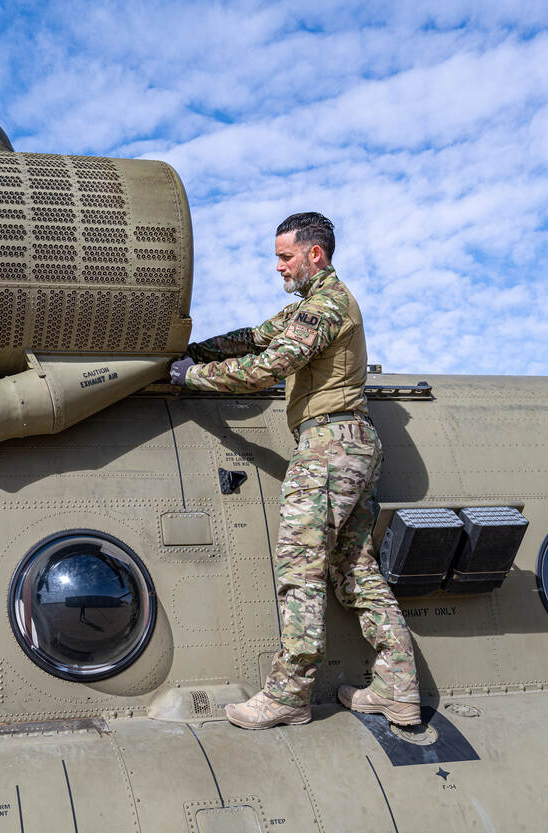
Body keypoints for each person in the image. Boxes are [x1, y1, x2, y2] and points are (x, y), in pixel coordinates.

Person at [169, 212, 420, 728]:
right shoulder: (309, 307)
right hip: (351, 444)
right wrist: (191, 349)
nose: (278, 267)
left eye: (285, 257)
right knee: (356, 571)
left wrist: (195, 376)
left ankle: (290, 693)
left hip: (329, 445)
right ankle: (398, 688)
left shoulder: (327, 305)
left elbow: (271, 364)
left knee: (299, 567)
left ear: (315, 255)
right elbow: (254, 337)